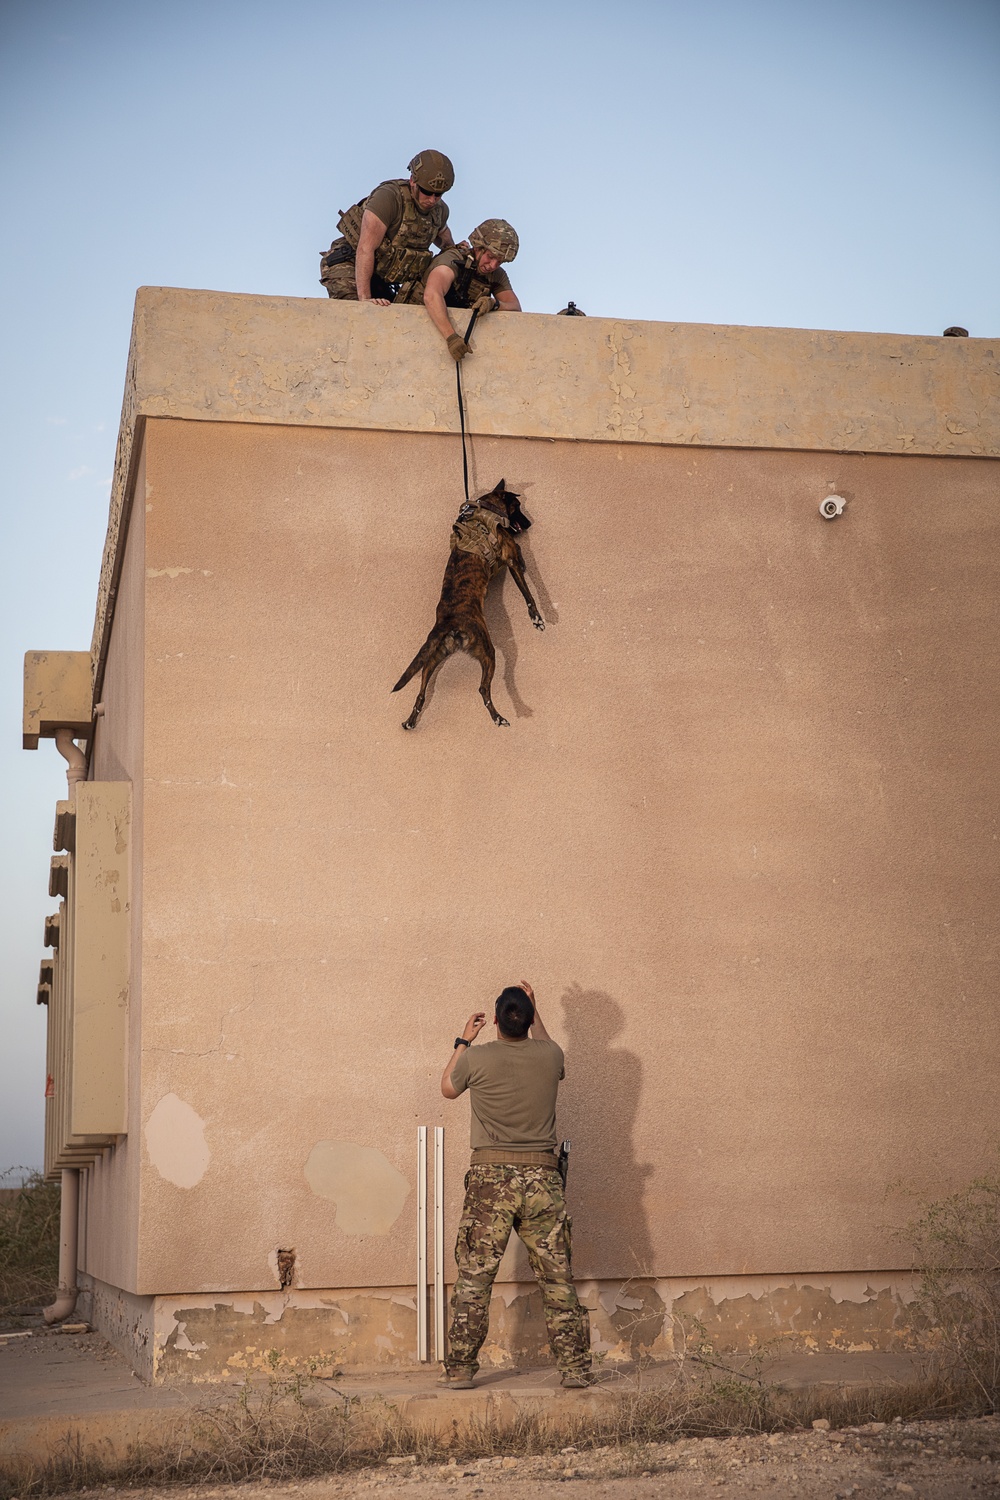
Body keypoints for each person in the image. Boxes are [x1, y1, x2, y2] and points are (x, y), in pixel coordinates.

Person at [439, 981, 594, 1389]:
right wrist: (535, 1009)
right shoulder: (550, 1056)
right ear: (527, 1020)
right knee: (557, 1278)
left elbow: (447, 1088)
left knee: (475, 1277)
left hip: (490, 1180)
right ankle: (575, 1370)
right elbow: (548, 1048)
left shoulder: (478, 1057)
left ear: (493, 1021)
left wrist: (463, 1040)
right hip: (542, 1178)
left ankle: (459, 1370)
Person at [320, 151, 456, 305]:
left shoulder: (440, 211)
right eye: (427, 192)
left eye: (438, 195)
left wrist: (456, 250)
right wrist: (364, 300)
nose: (432, 200)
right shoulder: (389, 197)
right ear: (413, 181)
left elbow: (446, 243)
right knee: (359, 314)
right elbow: (365, 248)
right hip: (350, 262)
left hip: (381, 276)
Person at [419, 220, 521, 362]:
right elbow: (432, 295)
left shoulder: (497, 275)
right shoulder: (454, 259)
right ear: (479, 248)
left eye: (499, 262)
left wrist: (494, 304)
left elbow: (515, 307)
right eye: (490, 257)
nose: (493, 265)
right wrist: (452, 338)